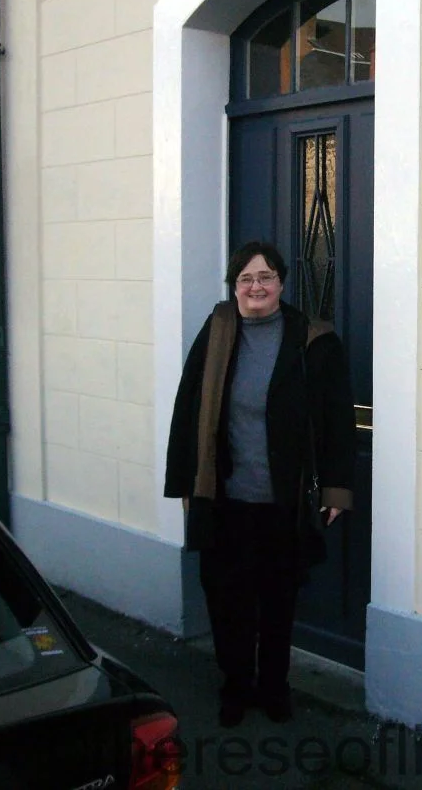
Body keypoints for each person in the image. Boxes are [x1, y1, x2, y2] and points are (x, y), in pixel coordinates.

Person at [163, 240, 356, 727]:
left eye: (265, 277)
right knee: (227, 602)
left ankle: (274, 688)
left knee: (276, 601)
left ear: (282, 283)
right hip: (224, 499)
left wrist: (335, 489)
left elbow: (336, 419)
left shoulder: (311, 339)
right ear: (234, 286)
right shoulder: (219, 330)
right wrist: (184, 481)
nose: (256, 287)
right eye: (246, 279)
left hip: (282, 502)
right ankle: (235, 686)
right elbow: (188, 407)